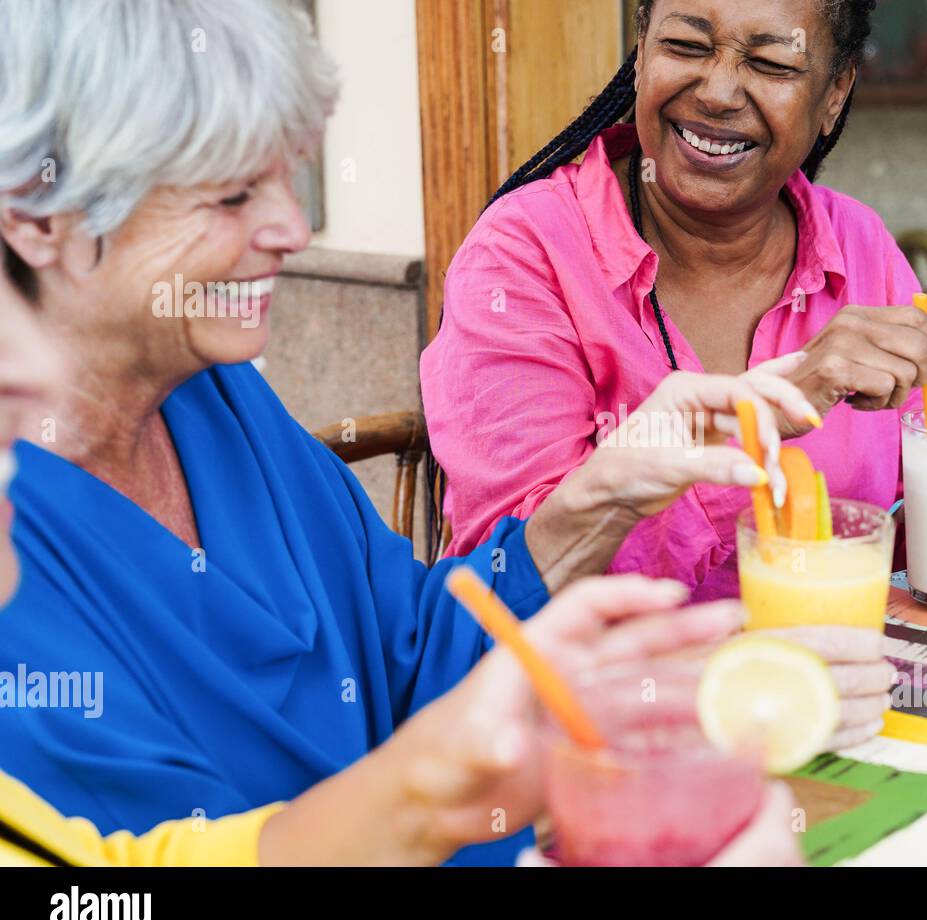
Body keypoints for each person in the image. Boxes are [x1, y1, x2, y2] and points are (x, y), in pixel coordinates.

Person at [0, 0, 881, 865]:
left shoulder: (218, 398)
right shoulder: (19, 563)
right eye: (231, 194)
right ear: (38, 215)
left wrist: (601, 494)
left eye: (287, 177)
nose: (293, 230)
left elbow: (416, 652)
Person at [423, 0, 927, 605]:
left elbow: (907, 534)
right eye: (685, 45)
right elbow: (509, 584)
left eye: (770, 63)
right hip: (602, 710)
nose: (716, 91)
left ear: (834, 94)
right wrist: (769, 409)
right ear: (642, 50)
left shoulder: (859, 246)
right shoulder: (525, 256)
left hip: (823, 691)